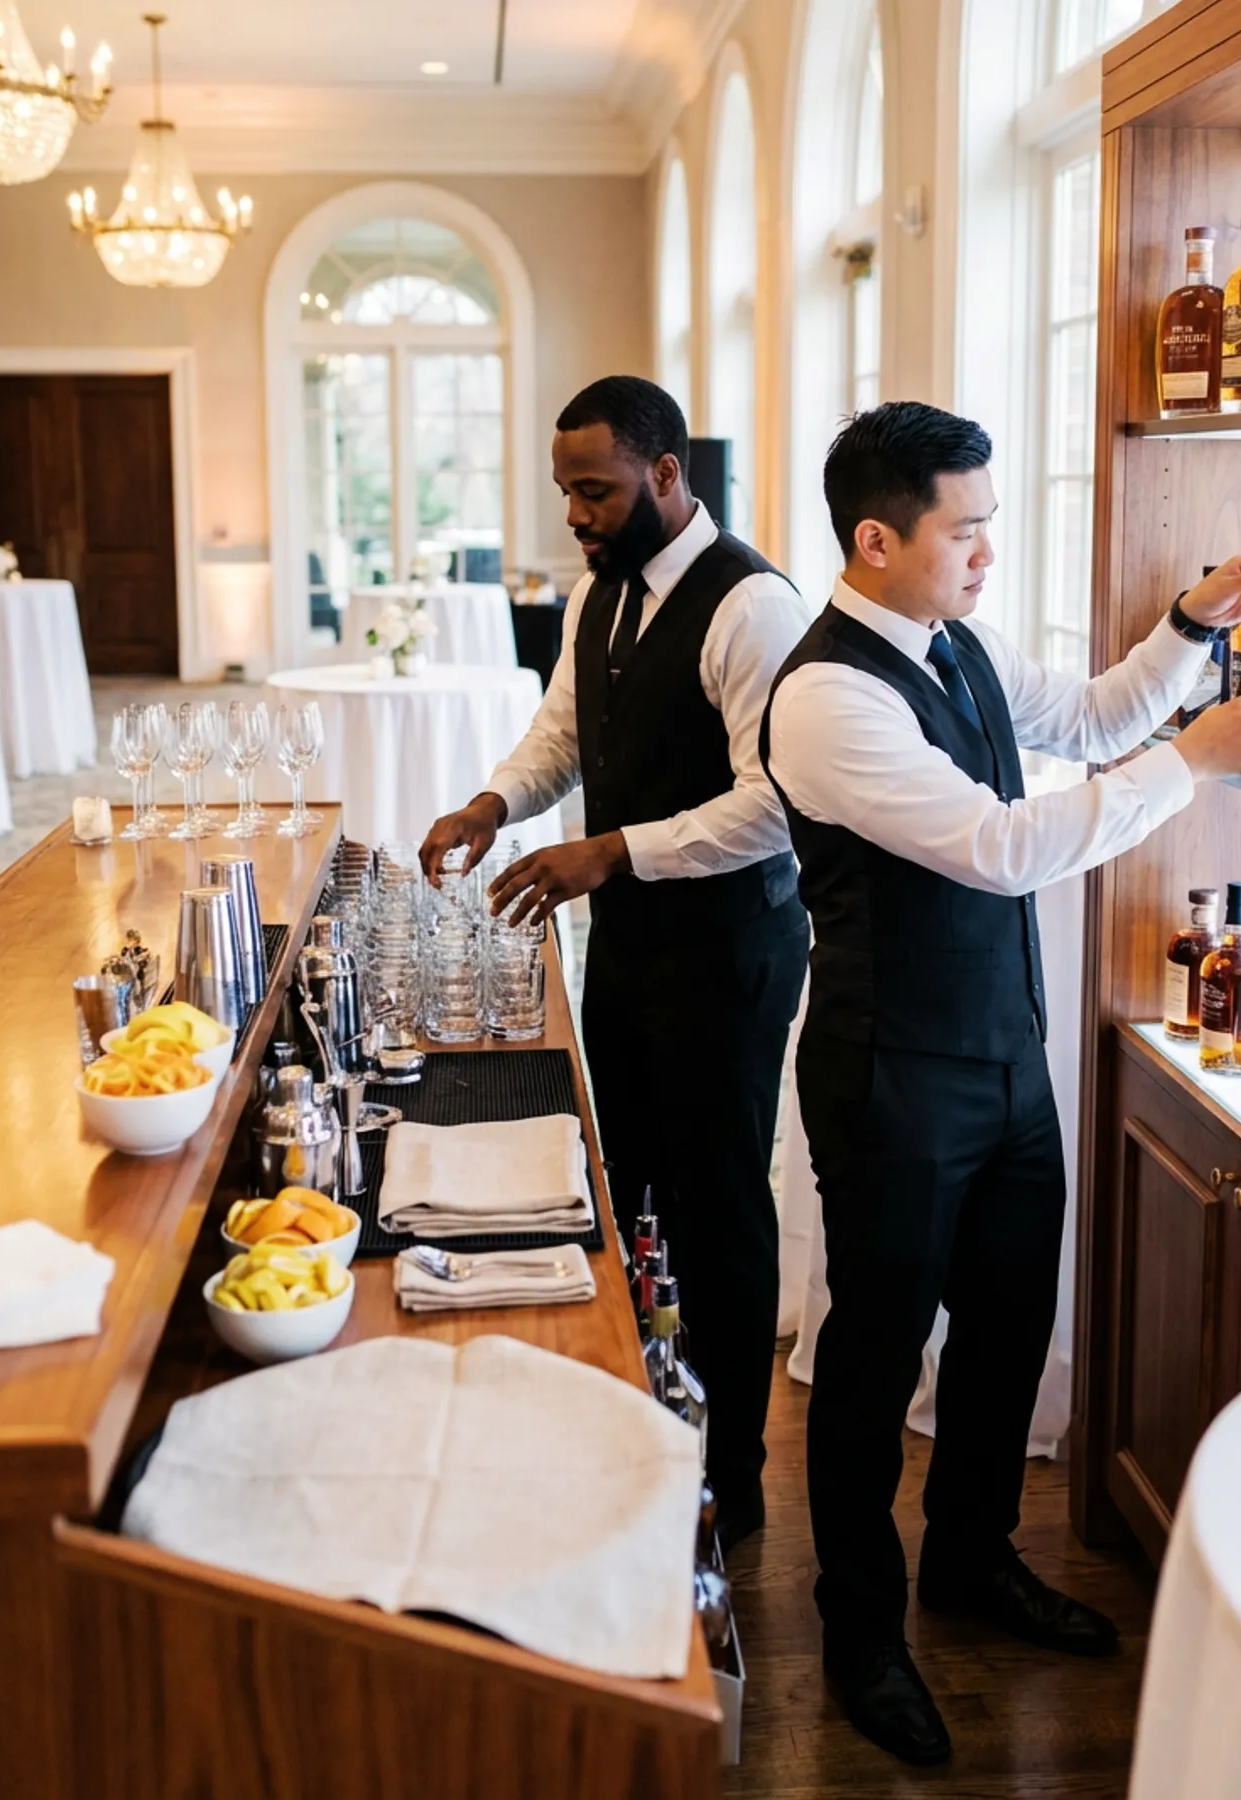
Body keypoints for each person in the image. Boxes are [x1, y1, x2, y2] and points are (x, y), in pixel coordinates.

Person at [758, 400, 1241, 1767]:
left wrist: (1185, 626)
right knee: (875, 1356)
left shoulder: (957, 643)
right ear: (877, 541)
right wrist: (1189, 766)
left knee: (1006, 1329)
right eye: (970, 529)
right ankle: (862, 1629)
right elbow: (1000, 847)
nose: (989, 551)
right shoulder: (823, 696)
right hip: (889, 1075)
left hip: (1004, 1056)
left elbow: (1092, 712)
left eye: (991, 524)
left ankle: (968, 1560)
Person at [419, 375, 812, 1549]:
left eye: (593, 490)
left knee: (719, 1215)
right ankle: (639, 1417)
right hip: (632, 945)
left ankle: (730, 1478)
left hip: (730, 954)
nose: (577, 515)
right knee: (625, 1187)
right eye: (565, 493)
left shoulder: (754, 608)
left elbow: (777, 803)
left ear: (666, 475)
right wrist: (495, 801)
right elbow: (565, 730)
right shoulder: (601, 593)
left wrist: (610, 851)